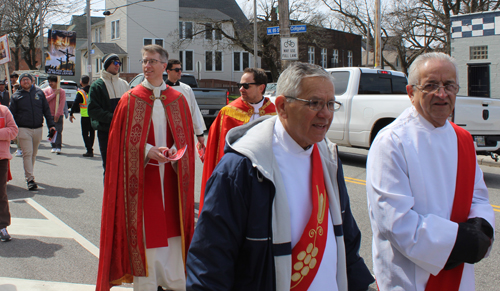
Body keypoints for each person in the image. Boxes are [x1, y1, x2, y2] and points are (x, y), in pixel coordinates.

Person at [187, 62, 374, 290]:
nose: (325, 114)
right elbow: (210, 262)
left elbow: (347, 241)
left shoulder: (329, 159)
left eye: (330, 104)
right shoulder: (242, 168)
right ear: (283, 106)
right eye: (314, 103)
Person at [366, 52, 495, 291]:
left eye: (449, 85)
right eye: (431, 85)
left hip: (459, 276)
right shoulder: (392, 142)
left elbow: (478, 197)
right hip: (412, 279)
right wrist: (458, 242)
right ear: (410, 92)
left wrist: (482, 228)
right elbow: (396, 222)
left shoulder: (463, 139)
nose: (442, 94)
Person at [96, 44, 195, 291]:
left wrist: (174, 151)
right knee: (145, 230)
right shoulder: (130, 100)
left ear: (164, 65)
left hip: (171, 177)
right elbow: (119, 143)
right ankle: (148, 283)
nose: (146, 66)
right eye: (144, 61)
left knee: (173, 227)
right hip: (142, 177)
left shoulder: (179, 99)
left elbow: (185, 139)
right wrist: (146, 149)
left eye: (152, 61)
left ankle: (174, 280)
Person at [199, 67, 276, 211]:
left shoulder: (275, 114)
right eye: (239, 85)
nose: (241, 89)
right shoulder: (228, 113)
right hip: (237, 177)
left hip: (267, 175)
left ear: (261, 87)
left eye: (246, 86)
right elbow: (215, 150)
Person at [9, 73, 56, 190]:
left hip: (38, 128)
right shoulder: (16, 96)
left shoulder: (39, 93)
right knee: (27, 154)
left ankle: (29, 174)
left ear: (32, 81)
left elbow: (46, 110)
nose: (25, 82)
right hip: (23, 129)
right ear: (20, 82)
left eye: (27, 80)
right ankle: (30, 179)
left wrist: (51, 125)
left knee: (33, 154)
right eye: (23, 80)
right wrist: (12, 131)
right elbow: (11, 115)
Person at [88, 53, 129, 173]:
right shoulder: (97, 85)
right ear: (107, 65)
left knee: (124, 165)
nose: (118, 65)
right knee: (110, 166)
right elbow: (93, 110)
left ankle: (122, 192)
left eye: (119, 63)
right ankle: (109, 191)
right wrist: (114, 118)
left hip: (123, 131)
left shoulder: (124, 84)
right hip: (107, 132)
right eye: (114, 63)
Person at [166, 59, 206, 148]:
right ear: (168, 71)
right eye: (176, 70)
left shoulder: (186, 89)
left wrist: (200, 134)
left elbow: (194, 110)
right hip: (167, 132)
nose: (179, 72)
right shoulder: (162, 89)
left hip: (185, 131)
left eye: (180, 69)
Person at [0, 104, 18, 242]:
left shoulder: (4, 110)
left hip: (1, 158)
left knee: (1, 193)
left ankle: (2, 226)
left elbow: (13, 131)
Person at [69, 75, 95, 157]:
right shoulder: (93, 90)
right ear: (89, 81)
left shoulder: (81, 92)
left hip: (85, 116)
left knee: (85, 133)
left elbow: (75, 103)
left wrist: (71, 113)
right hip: (93, 115)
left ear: (81, 82)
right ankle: (90, 147)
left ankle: (89, 150)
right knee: (92, 132)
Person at [43, 75, 66, 154]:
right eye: (49, 82)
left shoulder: (62, 91)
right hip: (49, 114)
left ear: (57, 82)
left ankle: (58, 146)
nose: (50, 83)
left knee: (58, 130)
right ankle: (53, 146)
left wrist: (58, 114)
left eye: (52, 81)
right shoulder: (46, 91)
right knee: (51, 130)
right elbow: (45, 101)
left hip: (58, 114)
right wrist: (54, 94)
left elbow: (62, 104)